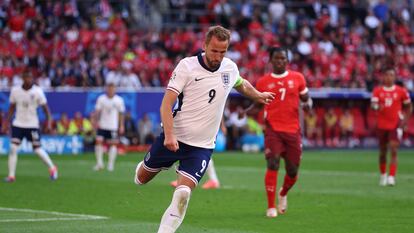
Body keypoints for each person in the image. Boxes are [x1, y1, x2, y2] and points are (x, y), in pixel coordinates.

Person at [133, 25, 274, 233]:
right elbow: (166, 104)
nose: (218, 56)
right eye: (214, 51)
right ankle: (142, 167)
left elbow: (241, 84)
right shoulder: (186, 67)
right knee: (141, 179)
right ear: (205, 46)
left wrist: (258, 95)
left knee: (183, 194)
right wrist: (169, 135)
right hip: (174, 138)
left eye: (222, 52)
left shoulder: (229, 68)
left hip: (202, 146)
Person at [245, 46, 312, 218]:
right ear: (270, 60)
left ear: (287, 61)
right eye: (277, 58)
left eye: (283, 58)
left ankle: (283, 193)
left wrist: (309, 105)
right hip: (273, 129)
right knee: (272, 163)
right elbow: (259, 104)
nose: (280, 61)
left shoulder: (297, 78)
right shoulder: (263, 82)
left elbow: (306, 98)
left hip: (293, 131)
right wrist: (246, 112)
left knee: (292, 171)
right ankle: (270, 206)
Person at [1, 71, 58, 182]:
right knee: (13, 148)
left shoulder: (37, 91)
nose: (29, 80)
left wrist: (49, 122)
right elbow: (12, 107)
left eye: (31, 77)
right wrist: (6, 122)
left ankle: (52, 168)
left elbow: (46, 109)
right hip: (18, 124)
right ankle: (11, 176)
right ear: (23, 78)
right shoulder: (15, 91)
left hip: (32, 125)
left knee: (37, 149)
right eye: (27, 77)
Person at [371, 68, 412, 186]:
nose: (389, 77)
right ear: (383, 77)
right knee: (382, 152)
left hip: (395, 125)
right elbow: (373, 104)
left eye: (391, 75)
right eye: (387, 75)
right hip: (381, 125)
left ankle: (391, 176)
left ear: (394, 77)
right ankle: (383, 175)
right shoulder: (378, 91)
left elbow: (409, 107)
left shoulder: (401, 91)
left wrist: (404, 121)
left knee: (394, 150)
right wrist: (377, 107)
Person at [94, 83, 125, 172]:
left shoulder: (119, 100)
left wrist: (121, 125)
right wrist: (96, 122)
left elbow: (121, 114)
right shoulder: (101, 99)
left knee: (113, 144)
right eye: (109, 88)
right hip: (102, 125)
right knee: (98, 142)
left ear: (114, 90)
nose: (110, 90)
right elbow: (97, 111)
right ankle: (99, 163)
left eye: (112, 89)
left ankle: (110, 164)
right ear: (106, 89)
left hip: (113, 126)